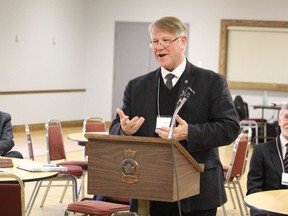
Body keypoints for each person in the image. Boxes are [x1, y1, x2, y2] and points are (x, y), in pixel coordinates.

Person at [109, 16, 240, 216]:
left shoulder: (211, 82)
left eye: (166, 40)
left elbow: (229, 128)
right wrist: (123, 130)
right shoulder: (137, 86)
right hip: (148, 188)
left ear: (183, 42)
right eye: (154, 41)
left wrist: (190, 133)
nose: (159, 46)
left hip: (197, 191)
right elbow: (115, 128)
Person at [246, 103, 288, 216]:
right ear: (279, 121)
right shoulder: (261, 151)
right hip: (269, 212)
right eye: (286, 117)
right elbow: (253, 189)